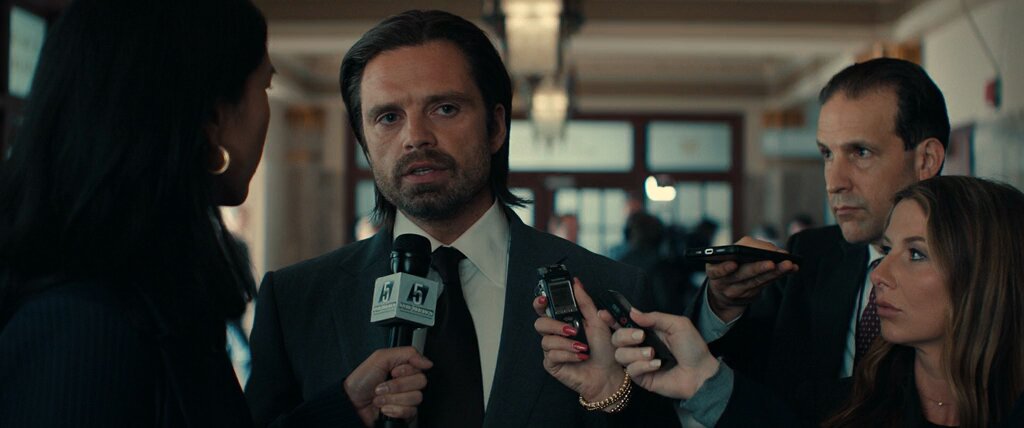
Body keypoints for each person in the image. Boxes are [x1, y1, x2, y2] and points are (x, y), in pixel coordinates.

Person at [245, 9, 678, 428]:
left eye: (445, 109)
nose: (416, 137)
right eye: (389, 117)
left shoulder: (609, 289)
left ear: (496, 127)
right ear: (364, 142)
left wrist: (609, 395)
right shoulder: (297, 301)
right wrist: (343, 413)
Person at [0, 0, 426, 426]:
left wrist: (344, 409)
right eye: (264, 88)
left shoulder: (153, 289)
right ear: (214, 118)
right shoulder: (82, 328)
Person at [611, 176, 1024, 428]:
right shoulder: (850, 404)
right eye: (886, 250)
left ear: (986, 275)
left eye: (915, 254)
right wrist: (699, 378)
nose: (879, 274)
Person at [686, 57, 950, 425]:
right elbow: (743, 386)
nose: (834, 181)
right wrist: (723, 305)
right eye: (827, 154)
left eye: (860, 153)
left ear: (926, 160)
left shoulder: (978, 270)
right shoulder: (808, 255)